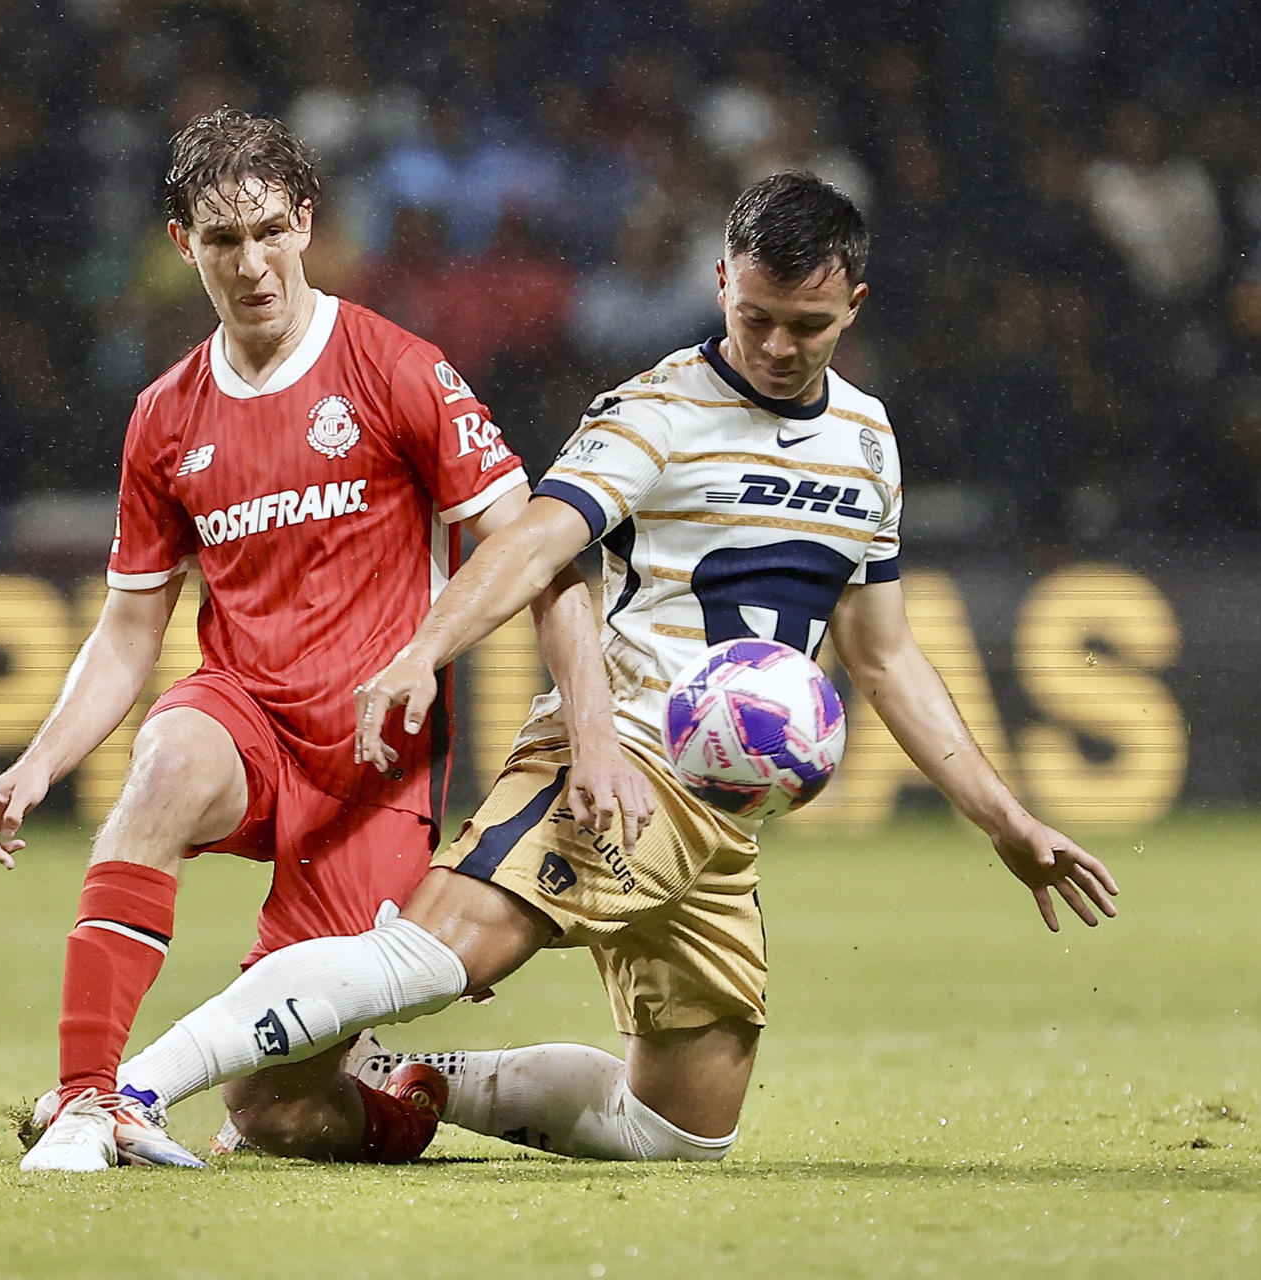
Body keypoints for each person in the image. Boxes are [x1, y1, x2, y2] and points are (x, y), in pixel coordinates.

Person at [105, 171, 1120, 1162]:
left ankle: (407, 1078)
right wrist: (426, 648)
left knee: (680, 1130)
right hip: (622, 756)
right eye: (756, 316)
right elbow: (538, 542)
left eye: (807, 327)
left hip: (727, 814)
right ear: (721, 281)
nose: (776, 346)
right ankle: (129, 1089)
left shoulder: (868, 439)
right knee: (433, 957)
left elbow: (885, 653)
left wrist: (1006, 820)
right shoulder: (655, 411)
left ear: (853, 305)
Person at [0, 108, 643, 1172]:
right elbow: (131, 625)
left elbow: (542, 560)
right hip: (244, 717)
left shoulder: (397, 370)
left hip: (373, 768)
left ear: (308, 224)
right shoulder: (164, 416)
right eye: (223, 240)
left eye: (271, 231)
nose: (252, 265)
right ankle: (90, 1100)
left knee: (277, 1111)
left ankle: (405, 1096)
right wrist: (39, 761)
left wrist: (593, 735)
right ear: (183, 243)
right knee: (164, 763)